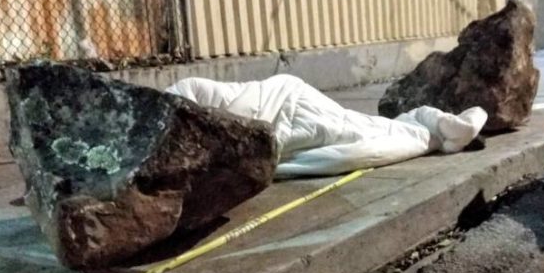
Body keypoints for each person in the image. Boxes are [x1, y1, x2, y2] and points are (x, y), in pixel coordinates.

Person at [166, 75, 487, 178]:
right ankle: (434, 129)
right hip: (284, 97)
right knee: (358, 132)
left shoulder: (184, 104)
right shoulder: (185, 98)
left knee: (357, 132)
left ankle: (432, 129)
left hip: (286, 99)